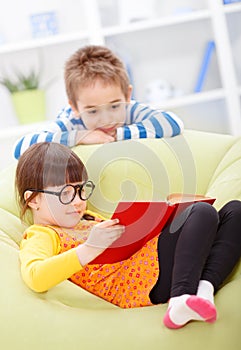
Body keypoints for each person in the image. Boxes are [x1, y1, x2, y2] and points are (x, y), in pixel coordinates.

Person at [16, 142, 241, 329]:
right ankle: (180, 299)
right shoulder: (41, 234)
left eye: (81, 190)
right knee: (201, 213)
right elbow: (35, 276)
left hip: (154, 261)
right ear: (33, 199)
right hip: (139, 286)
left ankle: (203, 290)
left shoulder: (89, 217)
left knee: (235, 211)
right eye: (66, 193)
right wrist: (91, 248)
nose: (78, 201)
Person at [13, 45, 184, 160]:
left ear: (127, 96)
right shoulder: (72, 121)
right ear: (74, 107)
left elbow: (173, 123)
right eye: (93, 111)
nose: (106, 119)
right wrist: (81, 136)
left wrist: (117, 135)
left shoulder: (131, 109)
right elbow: (20, 148)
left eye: (115, 106)